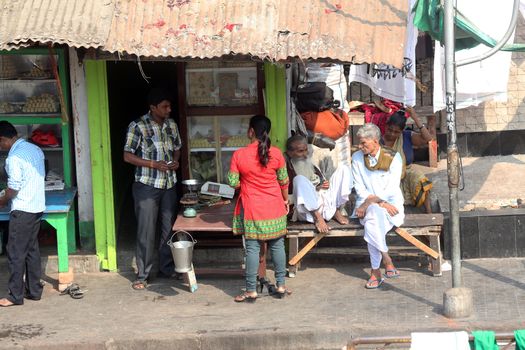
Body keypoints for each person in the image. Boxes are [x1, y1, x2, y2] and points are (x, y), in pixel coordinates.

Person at [123, 88, 182, 290]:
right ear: (152, 107)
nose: (169, 109)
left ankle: (167, 268)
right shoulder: (138, 126)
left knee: (169, 228)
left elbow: (177, 147)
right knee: (146, 230)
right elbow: (127, 155)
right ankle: (143, 274)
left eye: (169, 106)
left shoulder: (171, 124)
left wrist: (175, 161)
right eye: (164, 106)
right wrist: (153, 164)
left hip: (169, 184)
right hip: (147, 185)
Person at [228, 115, 290, 302]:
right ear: (267, 132)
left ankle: (250, 290)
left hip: (253, 209)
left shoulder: (239, 155)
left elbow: (232, 182)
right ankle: (280, 285)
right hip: (275, 207)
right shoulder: (277, 153)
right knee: (277, 245)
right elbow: (284, 181)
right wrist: (285, 200)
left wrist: (246, 183)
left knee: (253, 249)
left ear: (251, 131)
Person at [352, 123, 404, 289]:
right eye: (359, 143)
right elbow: (359, 187)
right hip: (369, 206)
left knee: (372, 221)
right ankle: (386, 261)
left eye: (363, 143)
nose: (360, 147)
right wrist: (374, 203)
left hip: (391, 205)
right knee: (373, 216)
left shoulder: (393, 157)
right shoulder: (357, 158)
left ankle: (377, 270)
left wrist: (373, 202)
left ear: (375, 141)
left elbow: (392, 187)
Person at [0, 121, 45, 306]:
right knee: (31, 250)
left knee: (15, 252)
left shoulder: (14, 158)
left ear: (3, 140)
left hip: (23, 209)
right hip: (36, 207)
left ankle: (14, 295)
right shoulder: (34, 149)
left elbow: (14, 189)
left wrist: (2, 200)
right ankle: (34, 291)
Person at [285, 135, 352, 233]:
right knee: (299, 179)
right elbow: (287, 197)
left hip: (325, 205)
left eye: (305, 150)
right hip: (307, 212)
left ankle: (336, 211)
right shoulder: (287, 169)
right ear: (290, 153)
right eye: (300, 151)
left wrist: (324, 185)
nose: (305, 154)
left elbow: (321, 183)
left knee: (344, 169)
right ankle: (318, 218)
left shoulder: (310, 163)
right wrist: (314, 189)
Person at [382, 108, 434, 213]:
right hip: (386, 176)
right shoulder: (378, 140)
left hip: (406, 173)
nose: (392, 134)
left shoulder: (406, 136)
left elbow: (428, 139)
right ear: (386, 126)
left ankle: (429, 213)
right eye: (390, 130)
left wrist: (415, 117)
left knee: (420, 178)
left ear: (401, 132)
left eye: (396, 132)